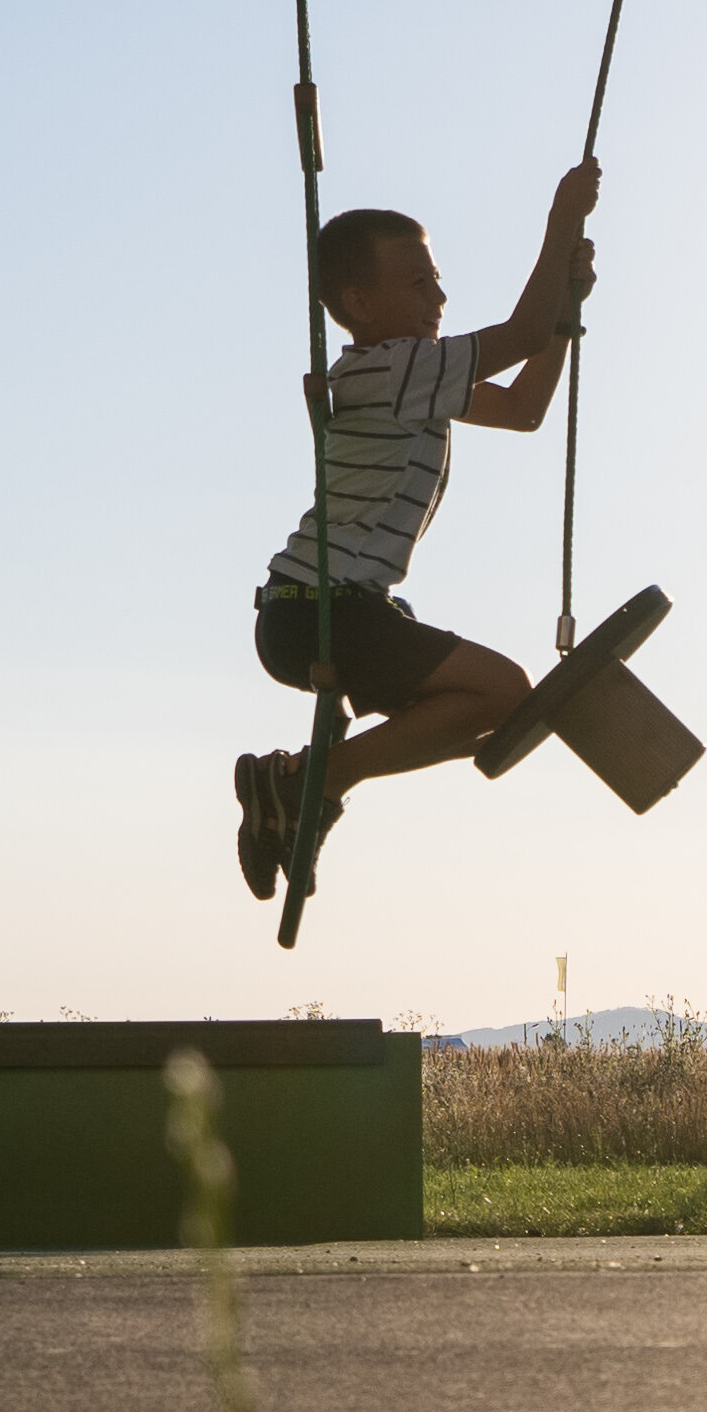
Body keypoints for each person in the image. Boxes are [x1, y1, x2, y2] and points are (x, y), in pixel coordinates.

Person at [237, 163, 599, 903]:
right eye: (418, 284)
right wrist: (562, 219)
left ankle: (299, 788)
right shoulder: (394, 369)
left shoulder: (409, 379)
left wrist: (566, 310)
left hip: (323, 608)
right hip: (320, 607)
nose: (439, 297)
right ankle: (312, 781)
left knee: (488, 711)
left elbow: (524, 409)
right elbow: (522, 334)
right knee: (502, 690)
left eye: (436, 281)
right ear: (359, 303)